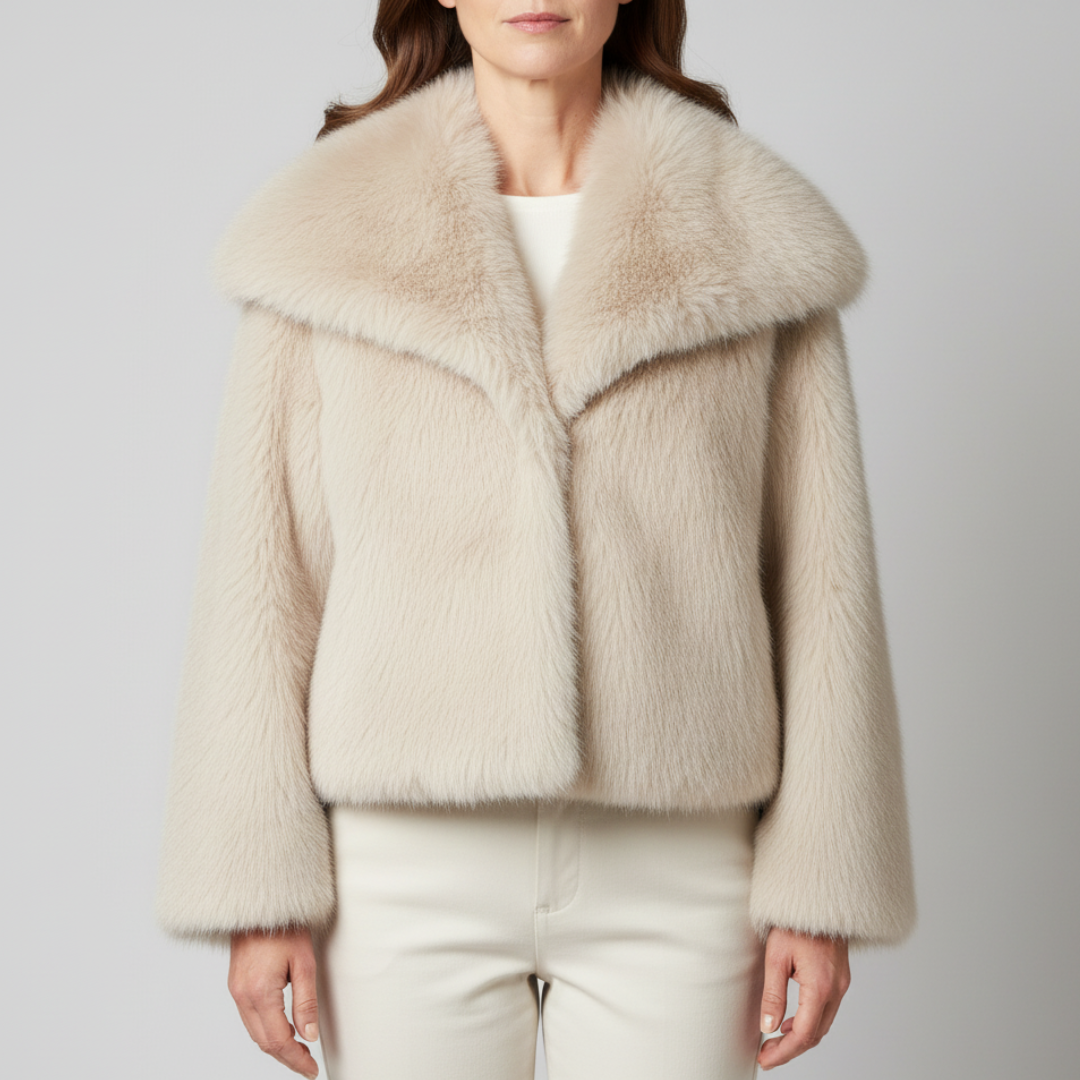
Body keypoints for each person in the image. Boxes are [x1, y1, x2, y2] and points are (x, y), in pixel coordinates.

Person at [154, 2, 917, 1078]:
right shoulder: (329, 231)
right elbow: (261, 579)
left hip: (682, 861)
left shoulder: (748, 229)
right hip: (403, 866)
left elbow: (824, 583)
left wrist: (822, 884)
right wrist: (258, 888)